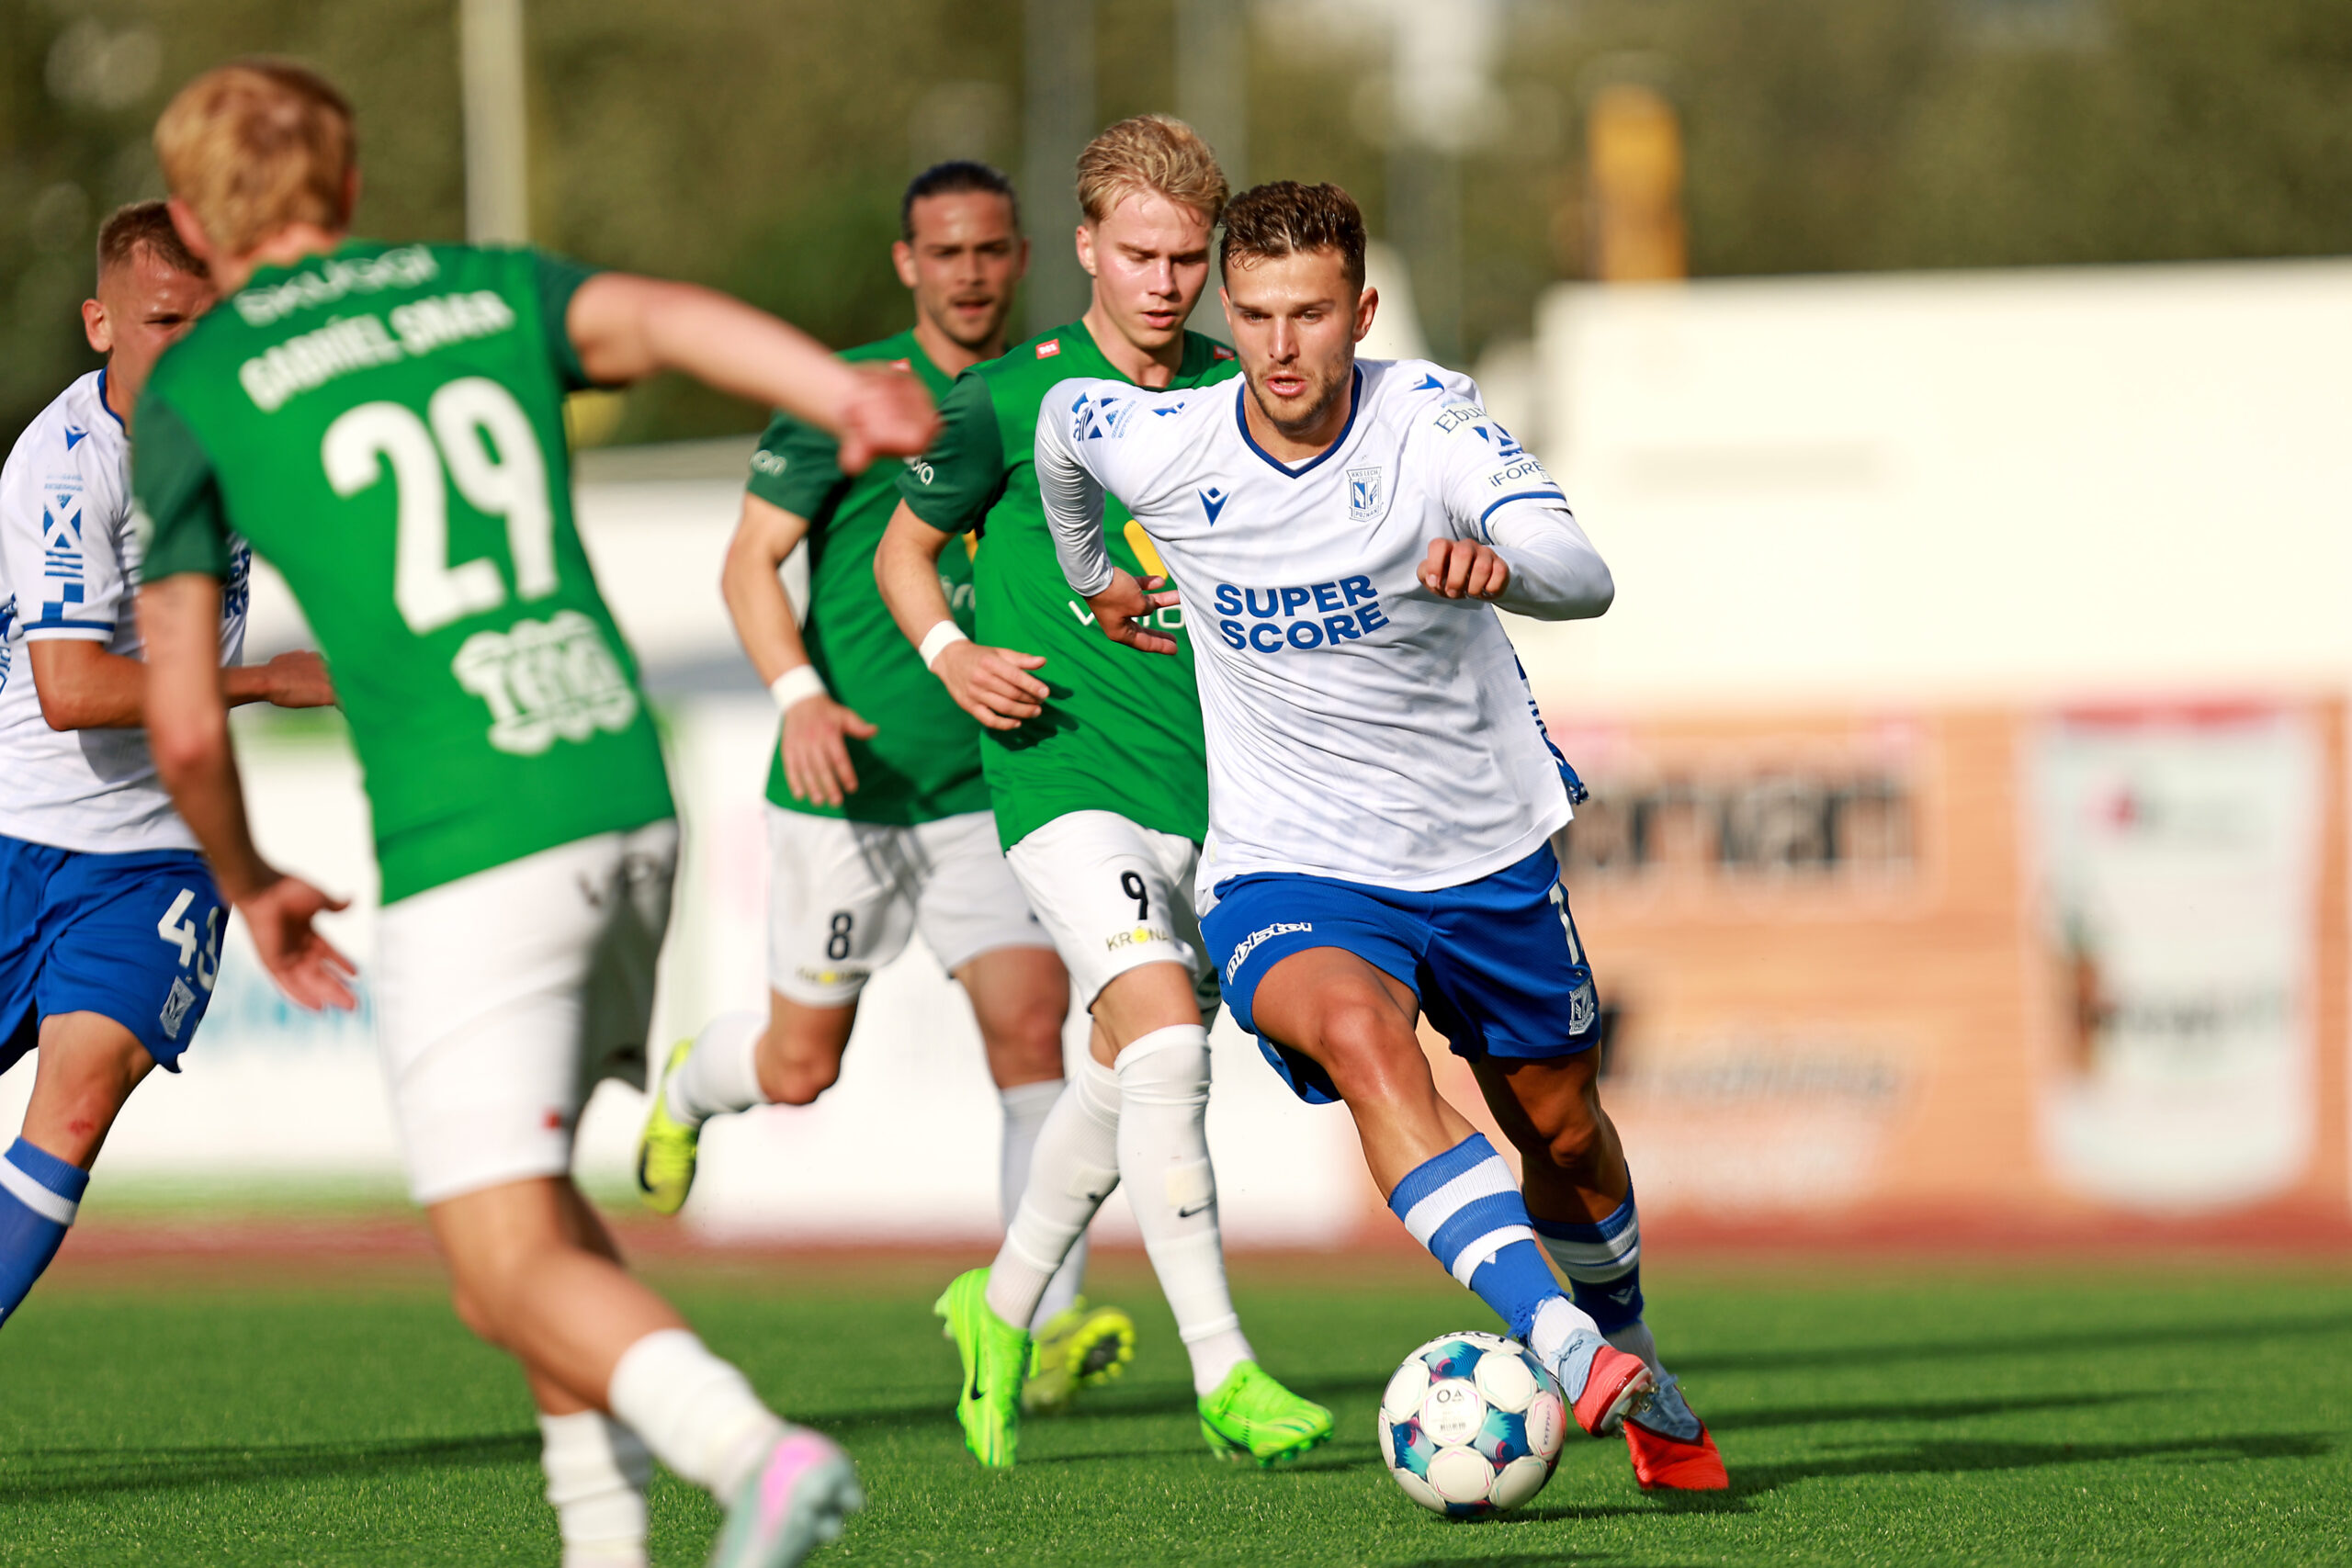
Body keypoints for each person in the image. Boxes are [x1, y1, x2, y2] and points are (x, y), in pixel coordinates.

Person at [130, 61, 936, 1568]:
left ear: (190, 220)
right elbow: (666, 318)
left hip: (471, 836)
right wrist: (837, 392)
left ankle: (750, 1452)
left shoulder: (195, 385)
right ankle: (603, 1545)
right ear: (351, 188)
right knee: (525, 1235)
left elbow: (182, 720)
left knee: (501, 1259)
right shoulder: (480, 286)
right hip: (621, 787)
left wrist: (249, 879)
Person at [1031, 180, 1730, 1492]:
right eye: (1254, 316)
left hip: (1481, 851)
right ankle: (1566, 1338)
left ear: (1359, 312)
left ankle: (1632, 1350)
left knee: (1564, 1130)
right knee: (1363, 1039)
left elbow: (1584, 569)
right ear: (1223, 317)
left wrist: (1503, 563)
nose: (1282, 347)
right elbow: (1063, 427)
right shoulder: (1167, 437)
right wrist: (1089, 578)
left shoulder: (1432, 426)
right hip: (1287, 862)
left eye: (1310, 315)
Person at [635, 159, 1136, 1415]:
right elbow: (749, 564)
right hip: (849, 785)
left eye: (990, 250)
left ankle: (1046, 1318)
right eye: (945, 252)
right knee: (802, 1067)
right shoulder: (847, 398)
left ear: (1024, 257)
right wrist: (800, 694)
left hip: (992, 785)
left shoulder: (1059, 393)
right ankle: (697, 1079)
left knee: (1034, 1032)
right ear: (908, 263)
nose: (970, 272)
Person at [875, 115, 1329, 1471]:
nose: (1165, 282)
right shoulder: (1007, 401)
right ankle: (1227, 1371)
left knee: (1121, 1064)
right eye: (1138, 253)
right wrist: (951, 653)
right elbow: (908, 553)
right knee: (1173, 1049)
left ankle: (999, 1304)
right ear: (1085, 248)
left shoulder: (1243, 387)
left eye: (1189, 256)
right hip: (1057, 769)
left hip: (1213, 789)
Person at [0, 200, 334, 1333]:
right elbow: (73, 692)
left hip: (152, 860)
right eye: (164, 323)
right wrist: (264, 681)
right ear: (101, 323)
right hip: (17, 831)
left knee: (78, 1104)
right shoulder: (62, 466)